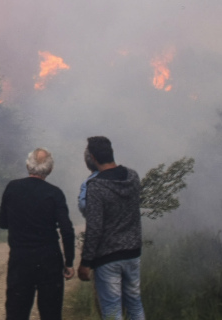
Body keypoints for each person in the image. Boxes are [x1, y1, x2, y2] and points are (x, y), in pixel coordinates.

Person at [0, 148, 76, 320]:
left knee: (16, 314)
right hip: (50, 262)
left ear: (28, 165)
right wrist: (68, 262)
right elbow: (67, 230)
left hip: (20, 261)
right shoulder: (55, 193)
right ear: (50, 169)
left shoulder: (12, 188)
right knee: (51, 314)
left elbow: (2, 223)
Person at [77, 136, 145, 320]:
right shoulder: (132, 176)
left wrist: (86, 262)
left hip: (108, 258)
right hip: (132, 253)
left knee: (112, 311)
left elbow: (95, 228)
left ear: (93, 157)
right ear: (111, 152)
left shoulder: (96, 186)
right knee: (135, 305)